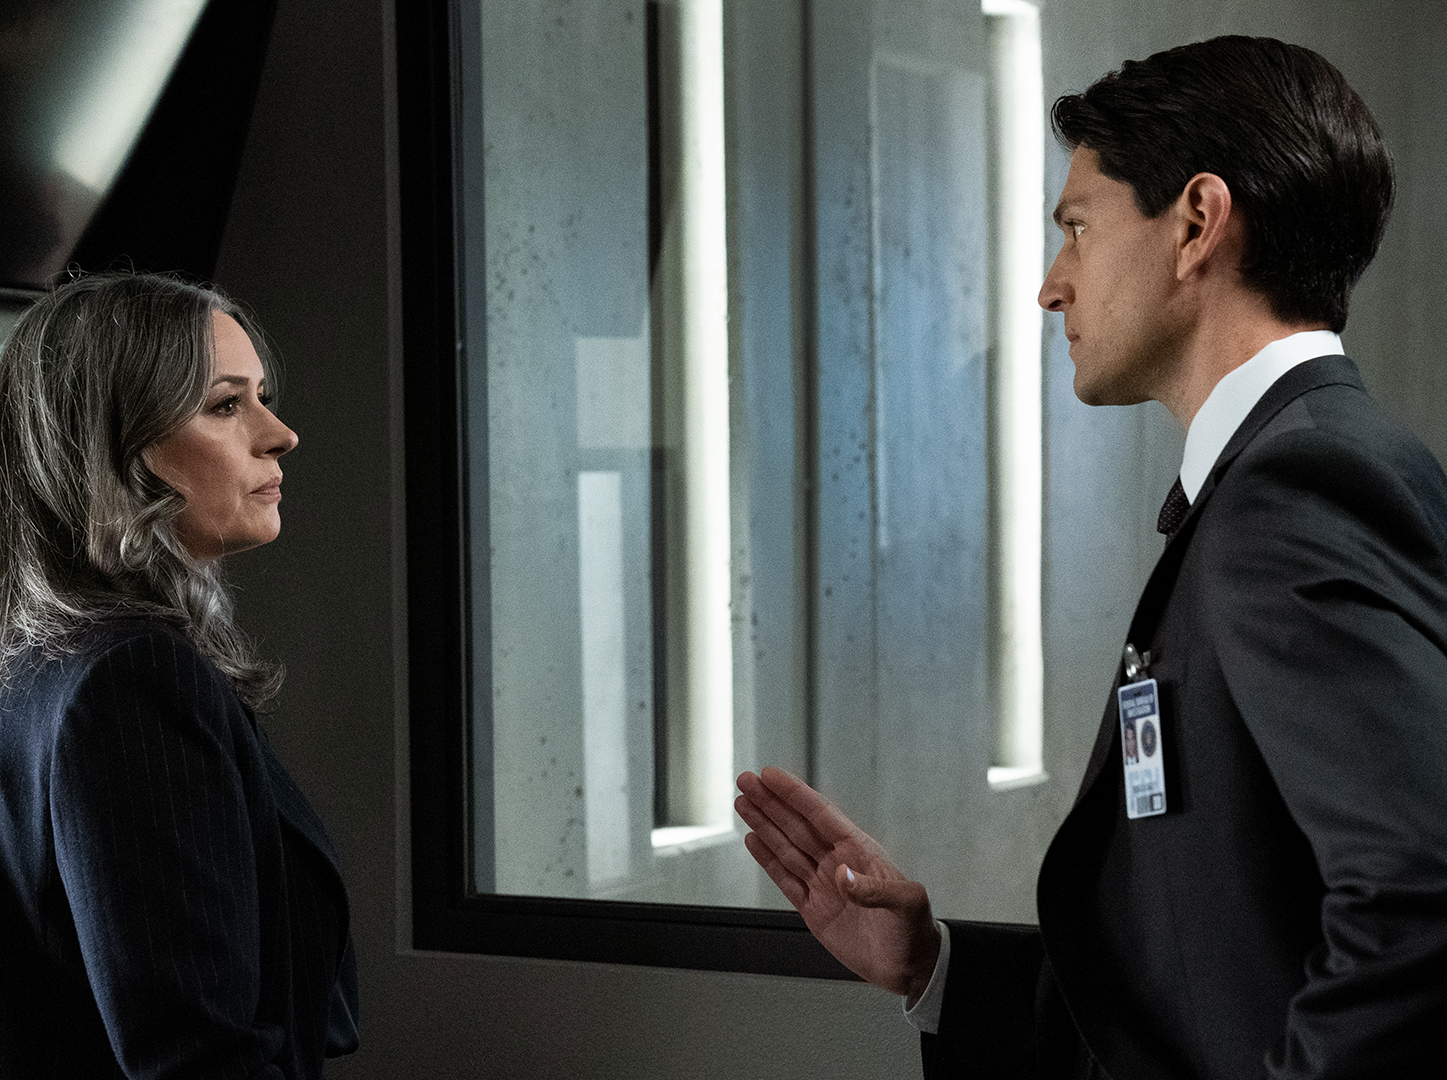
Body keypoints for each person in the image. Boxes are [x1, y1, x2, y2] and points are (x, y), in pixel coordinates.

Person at [736, 35, 1447, 1079]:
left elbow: (1420, 893)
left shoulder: (1291, 495)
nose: (1050, 286)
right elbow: (1223, 959)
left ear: (1195, 224)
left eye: (1076, 228)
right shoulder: (1309, 471)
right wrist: (933, 970)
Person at [0, 272, 360, 1078]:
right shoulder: (133, 679)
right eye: (225, 405)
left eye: (262, 397)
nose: (280, 435)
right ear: (114, 445)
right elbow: (197, 1055)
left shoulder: (49, 657)